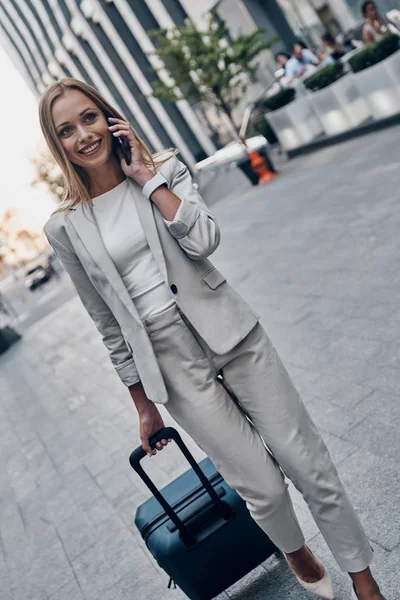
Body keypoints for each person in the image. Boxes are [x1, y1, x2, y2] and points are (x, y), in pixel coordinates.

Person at [40, 78, 387, 600]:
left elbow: (204, 239)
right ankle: (293, 548)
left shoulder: (167, 168)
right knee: (262, 488)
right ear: (58, 144)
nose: (83, 136)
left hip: (231, 332)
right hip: (170, 363)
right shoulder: (65, 228)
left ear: (109, 117)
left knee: (308, 464)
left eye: (89, 118)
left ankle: (364, 579)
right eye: (66, 130)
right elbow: (106, 322)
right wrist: (142, 405)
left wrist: (147, 179)